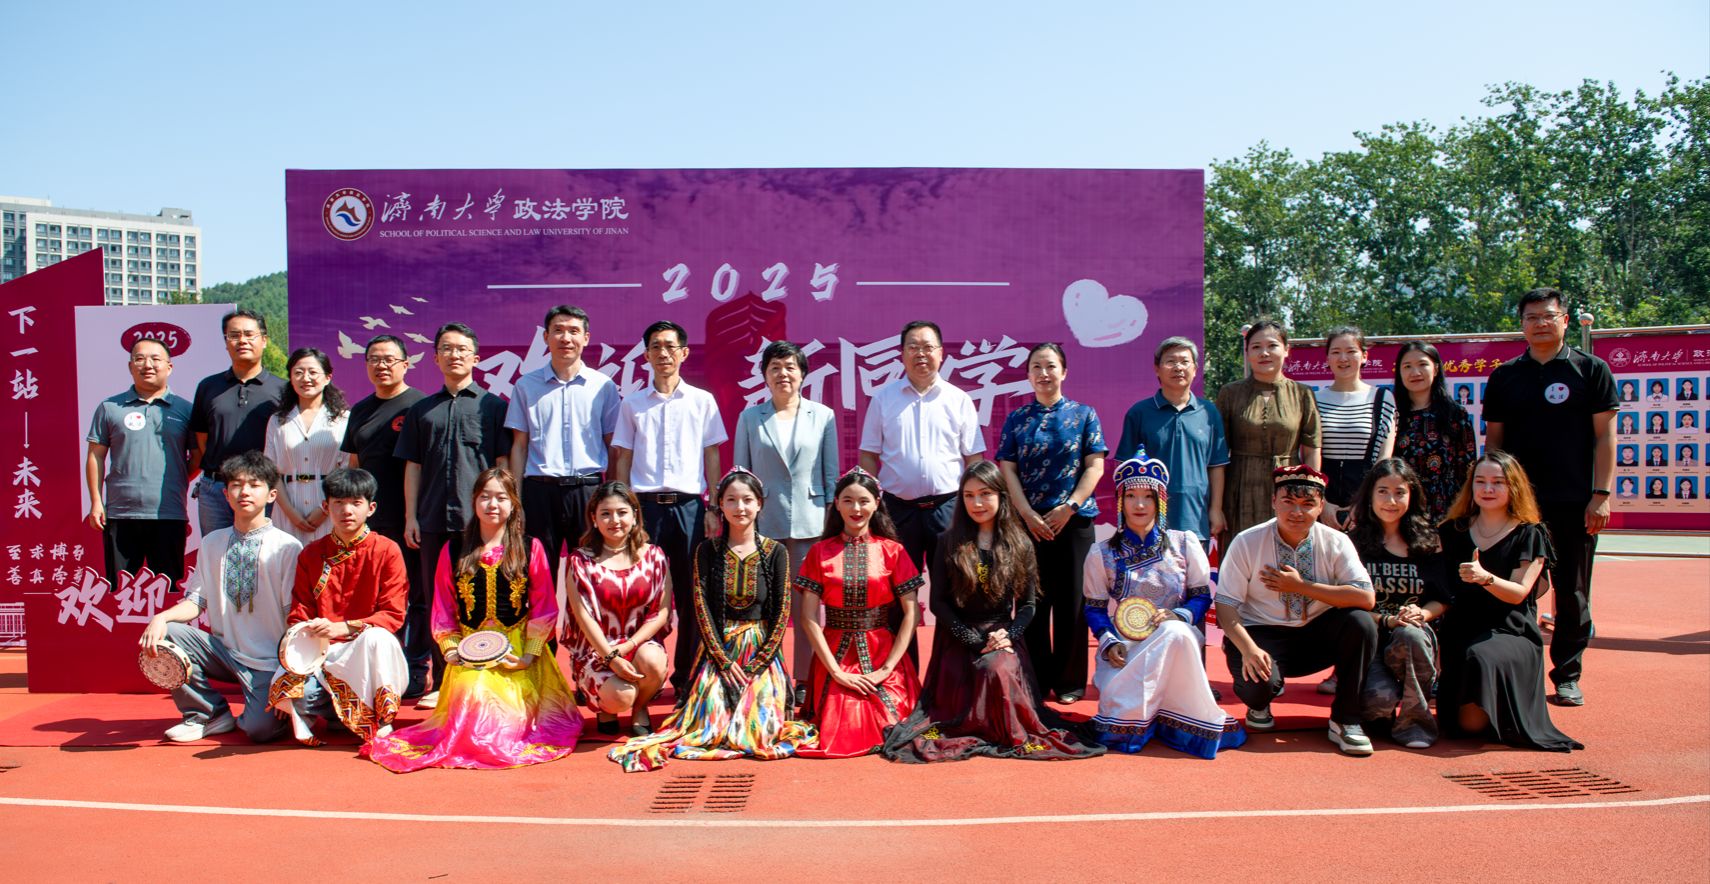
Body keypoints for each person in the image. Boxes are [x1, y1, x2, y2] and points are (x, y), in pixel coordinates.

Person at [881, 461, 1104, 763]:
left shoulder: (1020, 543)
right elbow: (938, 604)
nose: (977, 503)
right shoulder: (947, 541)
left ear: (1001, 496)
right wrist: (972, 640)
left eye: (985, 494)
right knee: (979, 676)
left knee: (997, 669)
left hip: (1002, 635)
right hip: (957, 637)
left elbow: (1028, 605)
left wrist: (1008, 636)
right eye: (969, 495)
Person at [367, 468, 582, 771]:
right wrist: (452, 649)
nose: (492, 505)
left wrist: (527, 656)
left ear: (513, 504)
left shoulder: (530, 547)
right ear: (474, 501)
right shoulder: (454, 549)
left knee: (504, 722)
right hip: (468, 653)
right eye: (485, 497)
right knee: (474, 695)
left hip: (519, 652)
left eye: (501, 498)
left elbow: (544, 606)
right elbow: (443, 607)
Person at [610, 469, 817, 771]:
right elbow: (702, 609)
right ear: (720, 504)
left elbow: (781, 612)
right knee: (711, 723)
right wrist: (724, 662)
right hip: (719, 651)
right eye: (731, 500)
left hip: (762, 652)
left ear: (759, 503)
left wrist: (757, 665)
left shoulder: (777, 553)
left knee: (759, 728)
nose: (739, 507)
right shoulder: (706, 551)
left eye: (747, 500)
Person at [1483, 287, 1616, 708]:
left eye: (1548, 315)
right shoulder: (1505, 376)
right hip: (1519, 507)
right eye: (1532, 317)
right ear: (1521, 324)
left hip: (1575, 502)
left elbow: (1605, 436)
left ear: (1564, 320)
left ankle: (1568, 675)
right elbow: (1495, 442)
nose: (1540, 323)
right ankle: (1518, 673)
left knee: (1572, 592)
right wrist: (1491, 496)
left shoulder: (1590, 370)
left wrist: (1601, 494)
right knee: (1516, 588)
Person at [1077, 455, 1244, 758]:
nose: (1139, 505)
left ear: (1161, 501)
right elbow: (1095, 608)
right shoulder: (1101, 553)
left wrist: (1179, 615)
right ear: (1120, 500)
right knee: (1124, 690)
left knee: (1174, 632)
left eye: (1148, 497)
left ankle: (1150, 718)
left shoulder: (1184, 543)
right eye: (1131, 496)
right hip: (1126, 649)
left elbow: (1200, 595)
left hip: (1178, 641)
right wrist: (1109, 641)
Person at [137, 451, 301, 743]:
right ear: (226, 494)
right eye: (236, 485)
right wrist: (161, 617)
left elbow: (295, 618)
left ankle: (273, 710)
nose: (244, 492)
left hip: (269, 662)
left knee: (259, 731)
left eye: (254, 485)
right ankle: (208, 714)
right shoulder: (212, 542)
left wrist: (287, 677)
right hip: (224, 652)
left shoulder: (287, 547)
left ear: (272, 494)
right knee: (169, 633)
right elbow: (196, 602)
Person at [1215, 465, 1378, 756]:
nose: (1296, 512)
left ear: (1321, 506)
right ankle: (1260, 703)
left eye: (1307, 504)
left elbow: (1366, 597)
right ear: (1273, 501)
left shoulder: (1336, 541)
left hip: (1316, 635)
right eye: (1288, 502)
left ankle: (1345, 719)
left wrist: (1302, 586)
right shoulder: (1247, 541)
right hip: (1262, 634)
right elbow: (1226, 605)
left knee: (1361, 623)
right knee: (1258, 687)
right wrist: (1249, 650)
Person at [395, 322, 510, 708]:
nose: (454, 355)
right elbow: (413, 466)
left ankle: (484, 676)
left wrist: (502, 518)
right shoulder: (421, 411)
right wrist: (411, 516)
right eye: (446, 348)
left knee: (482, 599)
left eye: (462, 349)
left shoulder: (493, 407)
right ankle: (444, 681)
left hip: (481, 524)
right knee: (437, 602)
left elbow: (502, 465)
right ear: (435, 358)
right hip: (431, 521)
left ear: (475, 358)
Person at [610, 319, 727, 697]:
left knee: (693, 594)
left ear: (684, 353)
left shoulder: (702, 401)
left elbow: (712, 454)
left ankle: (686, 678)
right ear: (646, 355)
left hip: (690, 508)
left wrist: (712, 506)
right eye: (656, 347)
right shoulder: (633, 404)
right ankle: (642, 674)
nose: (663, 353)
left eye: (670, 346)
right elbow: (624, 458)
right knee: (642, 595)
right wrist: (625, 509)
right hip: (645, 510)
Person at [1436, 452, 1582, 752]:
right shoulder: (1452, 530)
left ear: (1513, 487)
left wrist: (1484, 577)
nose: (1487, 489)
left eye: (1498, 482)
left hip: (1510, 630)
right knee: (1462, 727)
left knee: (1478, 661)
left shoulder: (1531, 533)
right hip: (1460, 627)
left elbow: (1519, 592)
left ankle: (1506, 713)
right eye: (1480, 481)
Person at [858, 320, 985, 653]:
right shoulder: (883, 399)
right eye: (913, 347)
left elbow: (974, 460)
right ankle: (903, 672)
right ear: (901, 354)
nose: (921, 354)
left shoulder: (959, 400)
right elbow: (868, 455)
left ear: (941, 354)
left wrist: (974, 507)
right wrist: (874, 504)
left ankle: (950, 673)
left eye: (928, 347)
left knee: (956, 590)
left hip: (949, 509)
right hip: (897, 510)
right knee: (898, 595)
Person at [995, 342, 1107, 703]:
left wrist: (1069, 507)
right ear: (1028, 375)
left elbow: (1095, 465)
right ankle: (1036, 679)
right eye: (1036, 367)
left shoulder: (1084, 414)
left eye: (1051, 366)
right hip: (1028, 523)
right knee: (1032, 602)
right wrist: (1026, 513)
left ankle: (1070, 682)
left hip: (1073, 522)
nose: (1044, 373)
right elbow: (1007, 468)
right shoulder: (1017, 418)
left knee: (1072, 602)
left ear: (1064, 371)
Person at [266, 467, 409, 745]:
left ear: (371, 508)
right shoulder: (312, 553)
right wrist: (312, 631)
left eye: (356, 503)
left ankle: (381, 718)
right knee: (297, 699)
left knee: (379, 638)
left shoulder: (387, 550)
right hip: (323, 653)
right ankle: (338, 714)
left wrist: (343, 628)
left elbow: (393, 614)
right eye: (339, 503)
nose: (347, 511)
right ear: (326, 507)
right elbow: (299, 612)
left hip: (366, 652)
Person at [731, 340, 839, 706]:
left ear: (803, 374)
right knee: (765, 605)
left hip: (811, 523)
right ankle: (767, 675)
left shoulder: (823, 416)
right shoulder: (750, 418)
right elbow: (741, 476)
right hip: (763, 525)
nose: (783, 374)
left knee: (807, 606)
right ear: (764, 375)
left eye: (790, 367)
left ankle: (805, 678)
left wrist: (831, 526)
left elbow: (830, 476)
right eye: (775, 367)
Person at [793, 468, 922, 758]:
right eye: (848, 500)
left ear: (876, 503)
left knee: (890, 720)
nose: (856, 508)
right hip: (834, 655)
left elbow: (911, 613)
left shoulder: (893, 551)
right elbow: (808, 618)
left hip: (882, 653)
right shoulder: (819, 552)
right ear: (837, 504)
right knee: (840, 721)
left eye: (863, 501)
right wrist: (836, 672)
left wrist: (887, 669)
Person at [505, 305, 621, 587]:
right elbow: (519, 447)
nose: (565, 338)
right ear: (546, 337)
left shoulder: (603, 386)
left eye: (573, 331)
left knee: (593, 573)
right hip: (540, 491)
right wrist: (517, 501)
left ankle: (587, 619)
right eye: (558, 330)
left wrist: (612, 496)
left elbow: (613, 446)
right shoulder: (526, 385)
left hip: (588, 491)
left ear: (586, 338)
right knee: (537, 575)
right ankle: (543, 620)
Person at [340, 335, 429, 697]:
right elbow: (354, 464)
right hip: (370, 522)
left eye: (390, 359)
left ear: (406, 364)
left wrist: (413, 515)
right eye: (374, 359)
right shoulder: (360, 410)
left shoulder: (420, 406)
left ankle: (416, 667)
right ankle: (377, 667)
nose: (382, 365)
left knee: (417, 596)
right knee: (374, 597)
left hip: (410, 518)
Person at [1345, 458, 1451, 749]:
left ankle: (1416, 723)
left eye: (1399, 492)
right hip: (1370, 641)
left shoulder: (1429, 541)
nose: (1391, 501)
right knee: (1378, 704)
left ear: (1411, 495)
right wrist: (1386, 620)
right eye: (1383, 491)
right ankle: (1383, 707)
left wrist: (1422, 613)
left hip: (1413, 637)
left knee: (1411, 634)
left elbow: (1443, 598)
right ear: (1370, 495)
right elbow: (1346, 603)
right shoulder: (1352, 543)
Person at [86, 336, 196, 591]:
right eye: (140, 359)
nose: (148, 365)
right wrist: (96, 501)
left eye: (156, 359)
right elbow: (96, 456)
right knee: (119, 591)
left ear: (169, 367)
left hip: (169, 513)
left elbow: (197, 457)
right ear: (130, 366)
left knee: (169, 590)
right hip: (120, 513)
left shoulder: (186, 410)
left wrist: (175, 478)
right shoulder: (110, 407)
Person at [565, 482, 671, 737]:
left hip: (638, 644)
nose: (614, 520)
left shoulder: (654, 556)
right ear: (594, 518)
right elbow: (583, 616)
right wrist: (611, 657)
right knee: (621, 696)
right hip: (597, 650)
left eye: (622, 512)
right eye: (606, 514)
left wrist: (628, 646)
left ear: (635, 515)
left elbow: (661, 612)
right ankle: (606, 705)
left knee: (653, 661)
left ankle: (640, 708)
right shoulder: (580, 560)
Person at [1215, 320, 1322, 548]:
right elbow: (1218, 456)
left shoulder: (1302, 393)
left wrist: (1311, 494)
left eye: (1272, 345)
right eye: (1256, 347)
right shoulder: (1229, 393)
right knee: (1242, 554)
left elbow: (1312, 449)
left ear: (1286, 349)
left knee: (1288, 553)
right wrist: (1216, 506)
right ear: (1247, 352)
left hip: (1291, 489)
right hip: (1240, 488)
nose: (1264, 353)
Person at [1114, 335, 1229, 544]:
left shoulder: (1209, 412)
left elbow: (1216, 466)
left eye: (1185, 362)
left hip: (1196, 517)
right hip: (1148, 520)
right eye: (1170, 361)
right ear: (1157, 369)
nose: (1178, 367)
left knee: (1194, 567)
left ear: (1195, 369)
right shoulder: (1139, 413)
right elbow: (1124, 470)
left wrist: (1215, 509)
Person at [190, 309, 287, 535]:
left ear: (264, 340)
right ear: (226, 342)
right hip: (216, 489)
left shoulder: (283, 389)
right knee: (215, 551)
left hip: (262, 487)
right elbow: (202, 439)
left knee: (262, 552)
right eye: (234, 335)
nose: (242, 340)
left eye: (249, 334)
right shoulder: (208, 387)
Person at [264, 348, 350, 545]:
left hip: (330, 506)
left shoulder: (343, 419)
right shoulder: (277, 420)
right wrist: (291, 513)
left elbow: (347, 468)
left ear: (327, 377)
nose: (306, 378)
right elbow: (270, 470)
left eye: (313, 372)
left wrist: (323, 508)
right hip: (287, 505)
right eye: (298, 372)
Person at [1314, 327, 1396, 527]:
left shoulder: (1382, 398)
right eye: (1336, 352)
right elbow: (1309, 454)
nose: (1343, 358)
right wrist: (1321, 503)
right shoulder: (1314, 399)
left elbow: (1384, 458)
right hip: (1322, 500)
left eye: (1351, 351)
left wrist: (1363, 503)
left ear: (1364, 356)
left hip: (1366, 501)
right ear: (1327, 359)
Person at [1391, 342, 1478, 523]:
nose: (1415, 372)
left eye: (1422, 364)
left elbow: (1468, 466)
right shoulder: (1391, 413)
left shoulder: (1455, 414)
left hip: (1446, 510)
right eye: (1407, 366)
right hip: (1400, 507)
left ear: (1436, 369)